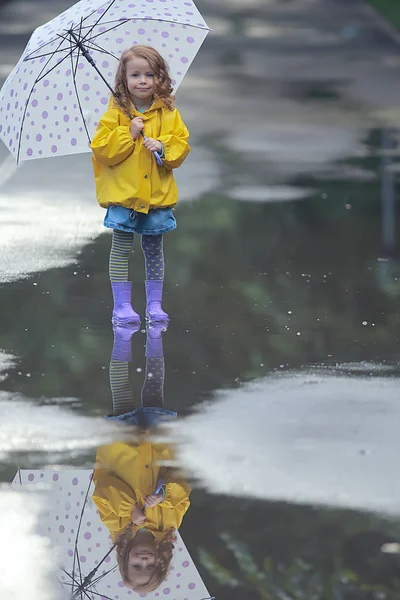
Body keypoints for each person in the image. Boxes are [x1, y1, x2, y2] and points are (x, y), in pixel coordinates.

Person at [90, 45, 191, 324]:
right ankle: (121, 306)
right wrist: (127, 132)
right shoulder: (115, 115)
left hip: (157, 197)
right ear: (124, 80)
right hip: (124, 197)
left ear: (161, 78)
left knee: (154, 250)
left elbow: (181, 146)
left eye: (150, 74)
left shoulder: (169, 114)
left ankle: (154, 305)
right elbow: (102, 151)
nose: (143, 80)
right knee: (121, 249)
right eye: (135, 75)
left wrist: (162, 145)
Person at [92, 323, 191, 592]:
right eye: (150, 566)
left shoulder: (116, 524)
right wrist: (165, 495)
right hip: (158, 443)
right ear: (161, 561)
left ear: (125, 560)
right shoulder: (171, 524)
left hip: (121, 445)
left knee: (121, 389)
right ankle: (155, 333)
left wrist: (129, 510)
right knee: (154, 390)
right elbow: (182, 483)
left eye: (136, 566)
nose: (144, 561)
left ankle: (121, 334)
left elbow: (104, 488)